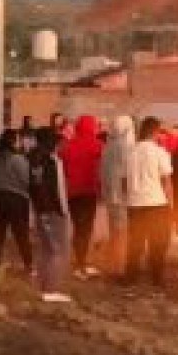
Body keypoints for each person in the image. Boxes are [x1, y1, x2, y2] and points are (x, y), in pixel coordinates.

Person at [125, 116, 175, 286]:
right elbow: (167, 182)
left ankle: (130, 277)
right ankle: (157, 277)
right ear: (155, 132)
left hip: (134, 203)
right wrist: (171, 205)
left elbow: (124, 180)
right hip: (156, 202)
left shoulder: (130, 152)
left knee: (135, 242)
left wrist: (130, 196)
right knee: (158, 243)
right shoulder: (160, 153)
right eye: (160, 132)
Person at [26, 126, 73, 303]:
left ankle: (44, 286)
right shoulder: (51, 161)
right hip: (53, 211)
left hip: (40, 210)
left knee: (46, 249)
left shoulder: (32, 159)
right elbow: (57, 190)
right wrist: (63, 211)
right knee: (59, 250)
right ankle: (52, 289)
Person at [0, 130, 33, 273]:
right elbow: (26, 180)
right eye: (18, 140)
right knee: (21, 234)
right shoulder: (18, 159)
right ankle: (28, 264)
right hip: (16, 200)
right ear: (13, 142)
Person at [60, 114, 104, 274]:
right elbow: (101, 169)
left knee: (78, 225)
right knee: (86, 227)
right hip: (89, 191)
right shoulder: (99, 145)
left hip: (72, 192)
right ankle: (82, 260)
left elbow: (63, 168)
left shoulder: (67, 146)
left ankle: (79, 257)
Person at [99, 116, 136, 276]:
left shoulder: (108, 146)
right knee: (122, 233)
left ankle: (113, 264)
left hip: (110, 197)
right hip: (122, 197)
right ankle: (120, 268)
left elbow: (102, 172)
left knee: (114, 231)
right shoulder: (125, 148)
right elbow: (126, 175)